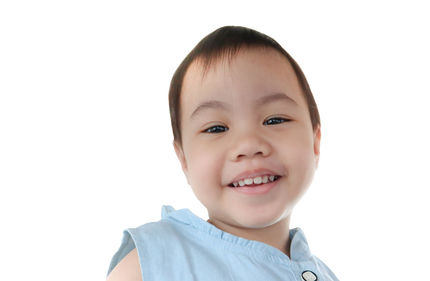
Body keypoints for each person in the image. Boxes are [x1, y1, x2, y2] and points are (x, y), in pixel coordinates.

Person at [106, 25, 340, 281]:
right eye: (216, 128)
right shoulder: (157, 259)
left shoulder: (325, 274)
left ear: (316, 142)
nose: (249, 144)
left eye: (274, 120)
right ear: (183, 159)